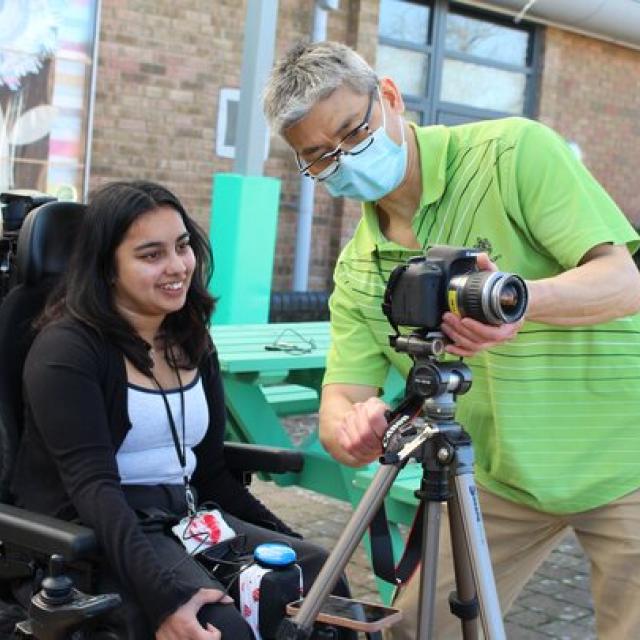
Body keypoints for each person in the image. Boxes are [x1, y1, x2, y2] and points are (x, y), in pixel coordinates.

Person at [263, 41, 640, 639]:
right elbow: (340, 401)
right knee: (417, 627)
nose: (345, 158)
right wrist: (350, 429)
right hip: (499, 477)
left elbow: (623, 281)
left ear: (389, 95)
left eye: (353, 131)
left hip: (627, 458)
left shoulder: (512, 153)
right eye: (319, 157)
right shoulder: (359, 269)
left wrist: (520, 302)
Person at [10, 180, 351, 639]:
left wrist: (287, 539)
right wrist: (166, 600)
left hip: (188, 518)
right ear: (106, 267)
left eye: (182, 246)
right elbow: (93, 489)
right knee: (220, 626)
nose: (177, 266)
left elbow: (209, 472)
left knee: (321, 582)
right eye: (151, 255)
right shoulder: (67, 350)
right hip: (101, 532)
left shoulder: (189, 337)